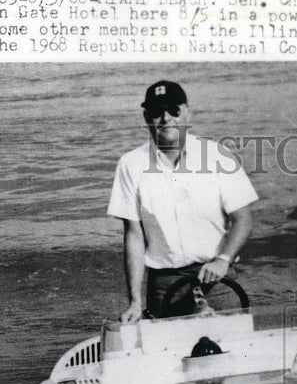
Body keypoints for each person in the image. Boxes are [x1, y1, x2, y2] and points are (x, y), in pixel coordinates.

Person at [108, 80, 258, 322]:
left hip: (217, 277)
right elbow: (134, 235)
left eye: (173, 111)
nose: (166, 118)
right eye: (157, 112)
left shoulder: (218, 155)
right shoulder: (130, 165)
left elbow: (243, 219)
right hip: (164, 284)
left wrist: (222, 260)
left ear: (188, 114)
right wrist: (135, 300)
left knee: (236, 350)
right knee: (165, 355)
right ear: (147, 118)